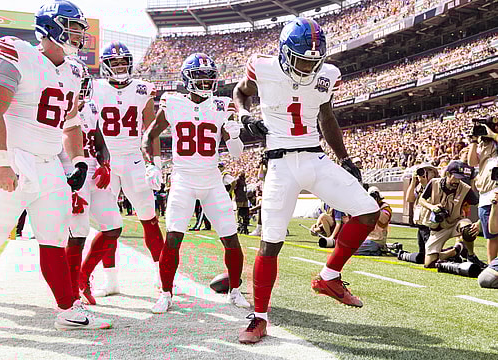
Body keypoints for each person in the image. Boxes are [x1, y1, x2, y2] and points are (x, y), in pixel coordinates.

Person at [0, 0, 112, 340]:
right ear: (50, 26)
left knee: (54, 238)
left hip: (48, 164)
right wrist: (0, 161)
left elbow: (71, 122)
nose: (79, 33)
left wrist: (78, 161)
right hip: (15, 158)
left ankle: (67, 309)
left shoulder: (73, 70)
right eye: (71, 25)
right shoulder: (16, 52)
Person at [233, 17, 380, 344]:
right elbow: (240, 93)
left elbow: (327, 116)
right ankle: (259, 318)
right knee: (271, 242)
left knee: (368, 211)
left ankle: (329, 277)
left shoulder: (327, 75)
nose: (308, 67)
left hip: (314, 157)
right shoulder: (263, 66)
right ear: (285, 54)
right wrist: (245, 117)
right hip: (280, 164)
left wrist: (345, 159)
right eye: (301, 59)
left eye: (314, 61)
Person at [142, 52, 250, 313]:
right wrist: (151, 164)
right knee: (173, 239)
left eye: (208, 78)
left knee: (231, 238)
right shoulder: (173, 103)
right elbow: (149, 136)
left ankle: (235, 291)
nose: (204, 82)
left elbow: (235, 152)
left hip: (212, 180)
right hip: (184, 179)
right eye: (199, 77)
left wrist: (234, 136)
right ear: (187, 79)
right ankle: (166, 293)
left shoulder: (222, 105)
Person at [91, 41, 164, 297]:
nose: (120, 66)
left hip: (133, 158)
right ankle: (110, 280)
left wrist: (154, 162)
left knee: (149, 218)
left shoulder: (142, 89)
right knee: (107, 222)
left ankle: (161, 275)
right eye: (115, 62)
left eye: (124, 62)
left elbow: (150, 129)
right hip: (106, 160)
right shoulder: (94, 88)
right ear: (106, 66)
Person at [60, 59, 123, 306]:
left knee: (113, 226)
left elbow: (99, 141)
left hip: (94, 172)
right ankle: (72, 286)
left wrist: (105, 162)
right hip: (71, 171)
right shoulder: (57, 105)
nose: (81, 88)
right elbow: (53, 148)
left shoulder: (92, 108)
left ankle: (83, 275)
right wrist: (66, 184)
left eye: (83, 83)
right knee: (78, 232)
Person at [418, 161, 481, 268]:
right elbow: (421, 200)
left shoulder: (465, 188)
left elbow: (481, 204)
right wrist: (432, 207)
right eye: (455, 177)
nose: (458, 181)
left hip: (457, 223)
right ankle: (456, 250)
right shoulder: (434, 183)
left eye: (460, 178)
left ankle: (471, 255)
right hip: (438, 227)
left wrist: (479, 222)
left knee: (468, 229)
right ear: (448, 174)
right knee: (429, 263)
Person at [468, 120, 498, 264]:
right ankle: (492, 267)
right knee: (491, 235)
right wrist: (473, 141)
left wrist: (493, 135)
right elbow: (471, 162)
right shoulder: (482, 145)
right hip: (486, 194)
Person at [399, 165, 439, 264]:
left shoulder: (436, 185)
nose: (425, 173)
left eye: (428, 171)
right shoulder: (420, 186)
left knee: (429, 255)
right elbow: (409, 199)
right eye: (423, 171)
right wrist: (413, 181)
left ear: (434, 173)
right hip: (421, 223)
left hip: (430, 224)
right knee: (422, 255)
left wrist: (425, 184)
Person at [354, 187, 392, 256]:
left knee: (352, 250)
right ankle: (375, 251)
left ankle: (377, 250)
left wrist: (375, 207)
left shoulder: (385, 207)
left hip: (376, 240)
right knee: (348, 246)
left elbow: (383, 220)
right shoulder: (366, 207)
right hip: (367, 239)